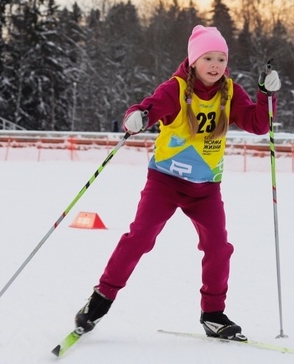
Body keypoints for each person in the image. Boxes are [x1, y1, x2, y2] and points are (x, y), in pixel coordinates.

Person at [70, 25, 281, 342]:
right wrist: (137, 117)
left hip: (206, 188)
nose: (215, 65)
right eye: (208, 58)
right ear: (194, 60)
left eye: (221, 59)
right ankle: (100, 300)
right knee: (140, 237)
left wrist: (266, 95)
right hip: (165, 183)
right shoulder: (176, 89)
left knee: (218, 247)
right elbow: (149, 108)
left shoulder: (230, 93)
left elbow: (257, 124)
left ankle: (213, 314)